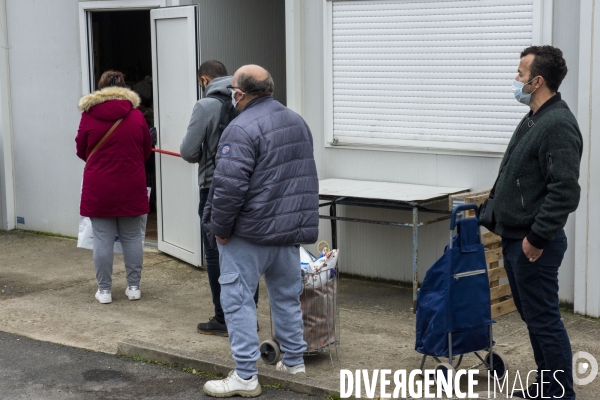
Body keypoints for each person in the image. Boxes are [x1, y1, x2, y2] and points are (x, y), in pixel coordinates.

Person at [201, 65, 319, 398]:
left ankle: (245, 375)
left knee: (238, 302)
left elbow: (227, 188)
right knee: (286, 297)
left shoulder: (240, 128)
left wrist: (219, 229)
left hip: (248, 234)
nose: (231, 97)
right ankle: (294, 360)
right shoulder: (297, 122)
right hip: (286, 233)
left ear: (240, 93)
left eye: (233, 91)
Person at [492, 46, 582, 399]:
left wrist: (537, 238)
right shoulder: (535, 116)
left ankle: (560, 394)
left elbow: (564, 191)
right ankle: (547, 387)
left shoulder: (558, 124)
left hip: (534, 245)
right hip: (516, 238)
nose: (516, 79)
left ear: (538, 80)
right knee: (535, 320)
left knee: (545, 321)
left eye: (520, 73)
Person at [180, 60, 259, 337]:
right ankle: (249, 316)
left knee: (215, 254)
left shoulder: (205, 106)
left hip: (213, 187)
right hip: (250, 187)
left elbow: (188, 151)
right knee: (247, 252)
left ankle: (223, 318)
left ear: (204, 79)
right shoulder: (250, 101)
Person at [76, 70, 152, 304]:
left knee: (101, 239)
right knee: (131, 238)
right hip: (132, 184)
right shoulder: (137, 116)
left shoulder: (89, 116)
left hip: (99, 186)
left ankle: (105, 290)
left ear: (100, 89)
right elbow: (146, 149)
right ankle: (133, 287)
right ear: (124, 87)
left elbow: (81, 149)